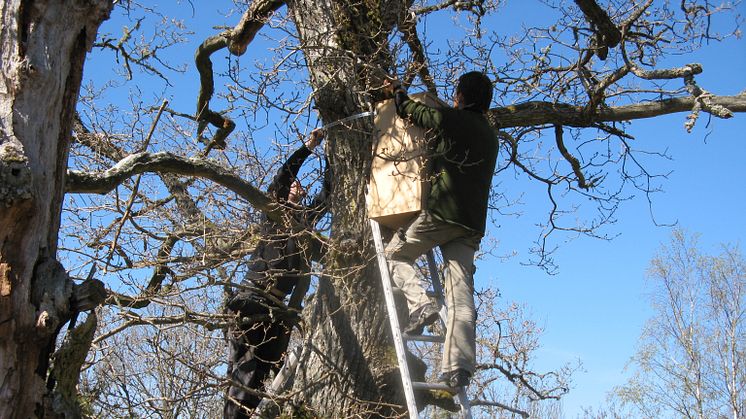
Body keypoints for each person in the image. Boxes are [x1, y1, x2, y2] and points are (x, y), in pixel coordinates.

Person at [383, 71, 498, 391]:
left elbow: (412, 111)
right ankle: (459, 367)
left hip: (441, 215)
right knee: (461, 297)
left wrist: (397, 91)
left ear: (461, 96)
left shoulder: (451, 118)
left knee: (394, 255)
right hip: (471, 225)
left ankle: (421, 305)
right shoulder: (491, 135)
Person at [224, 129, 330, 418]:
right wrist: (309, 148)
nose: (295, 186)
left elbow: (326, 195)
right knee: (242, 375)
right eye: (292, 185)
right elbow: (284, 175)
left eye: (299, 186)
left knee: (264, 375)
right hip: (253, 299)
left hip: (279, 311)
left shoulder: (304, 223)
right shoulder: (274, 211)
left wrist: (333, 158)